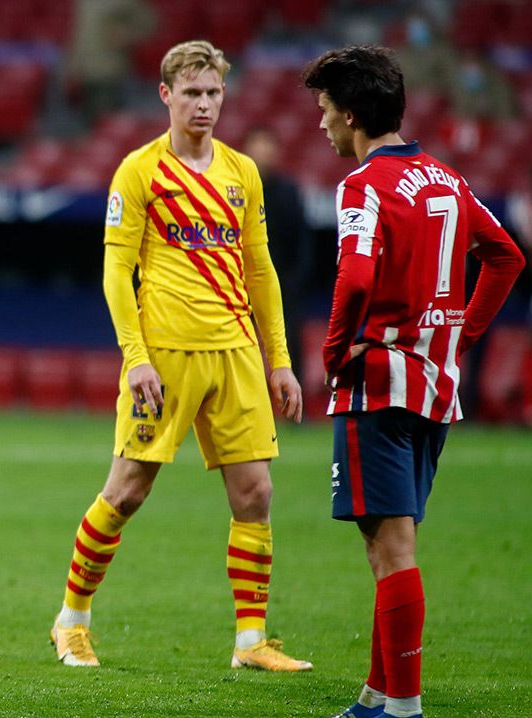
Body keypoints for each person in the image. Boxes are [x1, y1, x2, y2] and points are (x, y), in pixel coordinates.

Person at [49, 40, 311, 673]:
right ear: (165, 95)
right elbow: (116, 273)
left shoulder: (243, 173)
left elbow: (261, 270)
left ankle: (251, 642)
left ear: (225, 95)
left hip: (237, 352)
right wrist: (135, 357)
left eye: (213, 92)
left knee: (255, 494)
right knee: (128, 490)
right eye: (191, 92)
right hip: (165, 355)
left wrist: (279, 359)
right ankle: (71, 619)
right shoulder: (138, 171)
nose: (203, 104)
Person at [301, 46, 525, 718]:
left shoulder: (362, 187)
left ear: (350, 113)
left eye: (324, 113)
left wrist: (335, 351)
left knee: (391, 549)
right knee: (390, 545)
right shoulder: (447, 182)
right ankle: (377, 696)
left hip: (378, 383)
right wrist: (462, 333)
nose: (321, 127)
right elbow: (506, 256)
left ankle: (403, 708)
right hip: (435, 388)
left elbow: (359, 276)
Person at [244, 126, 314, 383]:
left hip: (283, 284)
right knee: (240, 346)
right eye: (257, 147)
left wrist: (294, 281)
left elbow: (302, 241)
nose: (262, 153)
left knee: (290, 341)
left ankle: (298, 404)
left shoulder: (288, 191)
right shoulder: (237, 189)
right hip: (242, 284)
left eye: (267, 147)